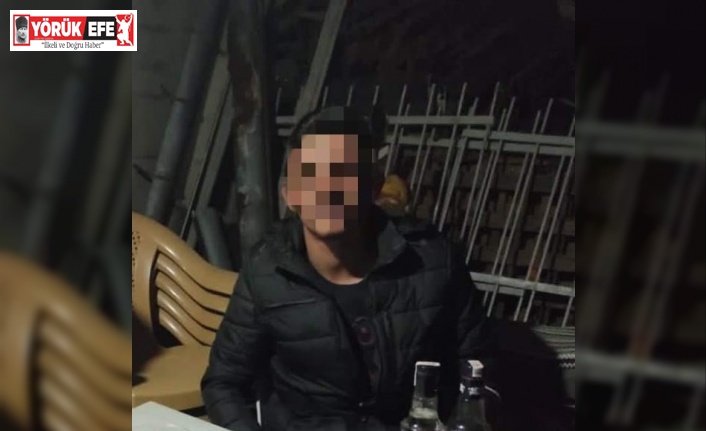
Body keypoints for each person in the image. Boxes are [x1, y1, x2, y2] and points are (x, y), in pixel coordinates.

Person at [201, 106, 491, 431]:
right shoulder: (267, 270)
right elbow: (224, 382)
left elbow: (480, 368)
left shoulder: (434, 261)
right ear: (290, 195)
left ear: (373, 185)